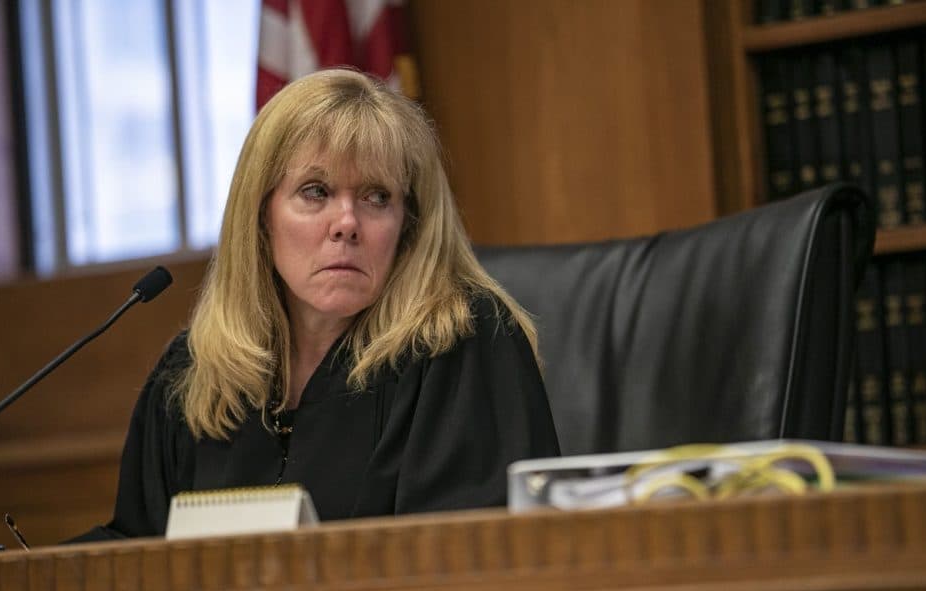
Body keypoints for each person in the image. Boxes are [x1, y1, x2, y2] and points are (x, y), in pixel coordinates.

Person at [72, 68, 560, 541]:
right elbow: (136, 550)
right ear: (261, 216)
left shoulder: (462, 344)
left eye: (376, 197)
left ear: (406, 226)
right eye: (315, 192)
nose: (346, 222)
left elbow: (467, 556)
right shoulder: (195, 373)